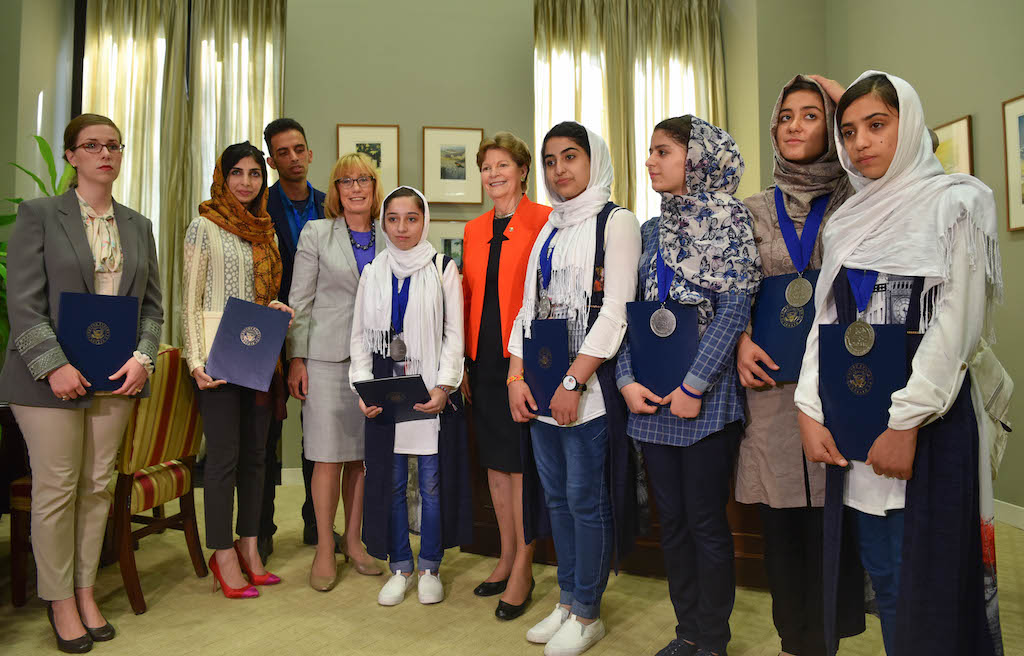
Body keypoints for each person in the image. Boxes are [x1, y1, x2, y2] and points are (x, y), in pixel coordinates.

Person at [796, 72, 1004, 655]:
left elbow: (954, 329)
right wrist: (808, 407)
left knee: (933, 581)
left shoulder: (958, 203)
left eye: (877, 125)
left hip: (925, 428)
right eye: (850, 130)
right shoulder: (846, 222)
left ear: (908, 125)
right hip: (854, 425)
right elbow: (826, 322)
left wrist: (904, 424)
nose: (861, 142)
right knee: (885, 576)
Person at [0, 113, 162, 652]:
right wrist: (54, 365)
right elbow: (23, 303)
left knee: (97, 488)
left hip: (115, 378)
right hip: (48, 380)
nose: (105, 154)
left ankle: (86, 588)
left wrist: (143, 357)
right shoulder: (40, 214)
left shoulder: (139, 225)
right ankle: (60, 600)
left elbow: (153, 310)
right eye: (92, 145)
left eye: (114, 145)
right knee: (57, 489)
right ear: (71, 156)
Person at [616, 116, 761, 656]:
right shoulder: (651, 232)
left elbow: (734, 309)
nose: (651, 161)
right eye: (649, 152)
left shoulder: (728, 219)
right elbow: (630, 313)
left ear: (696, 157)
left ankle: (713, 639)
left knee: (704, 522)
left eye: (663, 152)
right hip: (649, 400)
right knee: (670, 523)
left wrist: (695, 385)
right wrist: (627, 379)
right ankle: (686, 633)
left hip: (707, 400)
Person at [733, 76, 863, 656]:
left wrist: (849, 91)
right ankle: (792, 640)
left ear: (834, 128)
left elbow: (919, 144)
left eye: (811, 115)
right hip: (771, 388)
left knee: (838, 521)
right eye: (786, 115)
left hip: (843, 384)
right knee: (783, 523)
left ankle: (828, 640)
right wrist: (737, 339)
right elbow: (730, 290)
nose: (793, 125)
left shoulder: (863, 199)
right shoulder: (751, 210)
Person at [506, 121, 642, 656]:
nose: (559, 169)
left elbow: (615, 314)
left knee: (587, 500)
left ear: (593, 161)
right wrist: (517, 377)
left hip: (586, 389)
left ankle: (589, 612)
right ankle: (566, 599)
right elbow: (526, 310)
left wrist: (572, 381)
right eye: (550, 160)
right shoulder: (550, 227)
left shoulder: (618, 221)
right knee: (558, 499)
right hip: (539, 387)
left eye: (570, 157)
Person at [183, 141, 294, 599]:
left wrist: (275, 309)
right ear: (222, 176)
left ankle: (250, 548)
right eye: (237, 173)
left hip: (260, 355)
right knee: (224, 458)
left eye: (254, 174)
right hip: (218, 362)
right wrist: (194, 362)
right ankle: (222, 552)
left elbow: (259, 291)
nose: (246, 182)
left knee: (256, 457)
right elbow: (188, 300)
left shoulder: (266, 230)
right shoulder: (203, 226)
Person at [350, 186, 471, 607]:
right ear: (383, 222)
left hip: (429, 390)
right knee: (392, 483)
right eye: (394, 218)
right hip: (385, 391)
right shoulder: (373, 272)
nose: (402, 228)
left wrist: (444, 387)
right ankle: (400, 565)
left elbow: (455, 336)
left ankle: (430, 566)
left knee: (433, 485)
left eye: (412, 218)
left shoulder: (443, 268)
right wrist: (361, 390)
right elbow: (360, 342)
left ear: (425, 221)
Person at [462, 131, 550, 620]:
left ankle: (525, 561)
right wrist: (466, 363)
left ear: (521, 170)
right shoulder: (475, 229)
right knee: (496, 463)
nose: (493, 174)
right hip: (485, 358)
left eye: (502, 165)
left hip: (525, 358)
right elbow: (471, 296)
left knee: (521, 464)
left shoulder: (543, 220)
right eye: (486, 167)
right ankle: (505, 552)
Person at [287, 152, 385, 590]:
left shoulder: (392, 234)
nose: (356, 188)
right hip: (326, 360)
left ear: (374, 187)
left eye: (363, 179)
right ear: (337, 191)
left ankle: (355, 540)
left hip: (377, 363)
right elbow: (300, 302)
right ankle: (325, 546)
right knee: (327, 458)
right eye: (346, 181)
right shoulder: (316, 233)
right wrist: (297, 358)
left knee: (362, 460)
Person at [261, 118, 334, 562]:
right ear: (272, 160)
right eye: (282, 152)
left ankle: (315, 522)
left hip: (320, 333)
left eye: (299, 149)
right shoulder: (257, 204)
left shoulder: (331, 206)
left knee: (318, 434)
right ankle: (263, 528)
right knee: (265, 435)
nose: (293, 158)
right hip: (267, 328)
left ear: (310, 154)